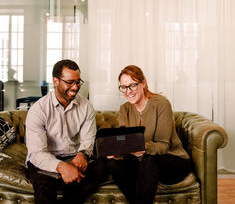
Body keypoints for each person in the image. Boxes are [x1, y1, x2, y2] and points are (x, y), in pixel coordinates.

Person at [106, 65, 191, 204]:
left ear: (143, 83)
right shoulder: (124, 109)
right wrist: (115, 151)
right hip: (142, 163)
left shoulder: (161, 104)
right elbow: (126, 143)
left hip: (173, 160)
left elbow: (163, 146)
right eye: (123, 87)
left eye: (132, 85)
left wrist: (143, 147)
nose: (128, 91)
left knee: (149, 159)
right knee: (112, 163)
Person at [25, 59, 107, 204]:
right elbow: (36, 153)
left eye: (78, 82)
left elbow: (88, 140)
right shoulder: (38, 110)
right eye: (70, 82)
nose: (75, 87)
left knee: (102, 167)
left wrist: (83, 154)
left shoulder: (86, 106)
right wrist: (61, 167)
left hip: (73, 157)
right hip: (46, 160)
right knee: (44, 188)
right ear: (55, 81)